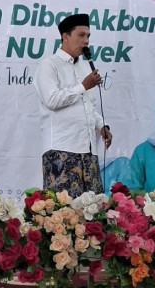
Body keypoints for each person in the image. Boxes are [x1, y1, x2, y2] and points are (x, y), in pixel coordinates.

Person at [33, 13, 112, 197]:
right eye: (81, 35)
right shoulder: (49, 65)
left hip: (88, 151)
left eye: (88, 36)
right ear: (65, 36)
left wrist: (101, 126)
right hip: (61, 149)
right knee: (63, 210)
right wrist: (83, 86)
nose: (86, 41)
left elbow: (88, 104)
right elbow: (52, 100)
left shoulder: (84, 68)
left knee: (93, 209)